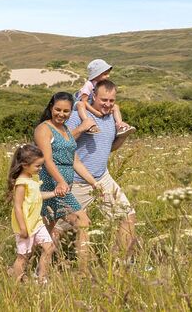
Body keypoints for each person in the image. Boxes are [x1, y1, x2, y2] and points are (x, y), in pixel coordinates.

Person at [62, 79, 137, 259]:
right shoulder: (77, 116)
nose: (107, 104)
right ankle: (81, 273)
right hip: (76, 182)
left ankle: (123, 263)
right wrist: (82, 127)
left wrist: (124, 136)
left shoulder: (111, 117)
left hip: (102, 178)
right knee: (80, 226)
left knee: (128, 216)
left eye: (111, 101)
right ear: (94, 96)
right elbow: (61, 142)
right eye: (104, 100)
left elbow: (108, 147)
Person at [34, 92, 99, 270]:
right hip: (52, 184)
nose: (61, 114)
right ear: (50, 108)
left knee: (46, 233)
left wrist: (93, 182)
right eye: (57, 110)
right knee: (83, 221)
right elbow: (47, 160)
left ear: (71, 112)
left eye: (66, 111)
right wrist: (61, 182)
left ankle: (38, 273)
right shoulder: (44, 129)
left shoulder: (66, 131)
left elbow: (75, 161)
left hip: (63, 187)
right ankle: (84, 271)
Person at [7, 144, 56, 283]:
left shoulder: (32, 179)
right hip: (26, 224)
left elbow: (37, 196)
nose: (40, 169)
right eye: (37, 166)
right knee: (24, 256)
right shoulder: (21, 183)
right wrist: (22, 227)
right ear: (24, 165)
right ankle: (16, 283)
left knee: (49, 247)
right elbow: (17, 206)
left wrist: (53, 193)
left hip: (37, 222)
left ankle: (42, 279)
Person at [75, 58, 135, 137]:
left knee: (115, 106)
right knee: (80, 104)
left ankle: (119, 125)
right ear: (96, 74)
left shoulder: (99, 84)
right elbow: (84, 101)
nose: (108, 76)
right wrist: (95, 112)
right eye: (105, 74)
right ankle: (87, 123)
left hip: (91, 104)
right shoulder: (88, 85)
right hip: (81, 105)